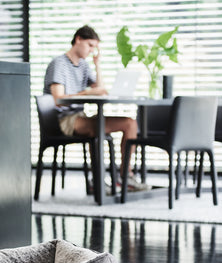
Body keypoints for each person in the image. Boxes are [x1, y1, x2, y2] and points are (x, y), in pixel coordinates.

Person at [43, 25, 149, 192]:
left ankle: (126, 176)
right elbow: (58, 100)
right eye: (90, 45)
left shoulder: (84, 65)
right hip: (64, 120)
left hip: (80, 116)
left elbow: (101, 89)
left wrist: (97, 64)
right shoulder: (59, 64)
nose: (92, 50)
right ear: (78, 39)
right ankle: (97, 181)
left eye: (95, 47)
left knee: (130, 124)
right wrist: (86, 92)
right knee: (97, 129)